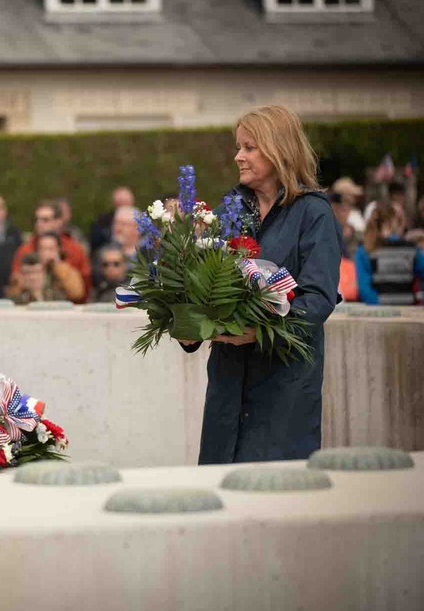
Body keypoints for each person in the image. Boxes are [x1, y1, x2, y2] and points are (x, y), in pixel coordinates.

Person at [179, 105, 342, 464]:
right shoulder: (227, 213)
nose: (239, 156)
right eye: (239, 146)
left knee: (274, 495)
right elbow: (198, 288)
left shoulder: (313, 214)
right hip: (227, 386)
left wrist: (259, 331)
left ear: (279, 148)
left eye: (250, 147)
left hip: (283, 386)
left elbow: (317, 299)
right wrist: (187, 329)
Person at [10, 200, 91, 297]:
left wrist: (59, 266)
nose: (39, 224)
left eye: (45, 220)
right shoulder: (24, 250)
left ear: (58, 222)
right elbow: (15, 287)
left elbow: (84, 288)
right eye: (36, 220)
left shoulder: (75, 249)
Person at [354, 200, 424, 305]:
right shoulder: (412, 249)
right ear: (395, 222)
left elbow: (364, 290)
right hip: (409, 310)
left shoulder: (364, 251)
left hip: (377, 314)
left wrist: (382, 305)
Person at [7, 233, 84, 304]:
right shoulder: (28, 265)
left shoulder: (66, 270)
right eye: (42, 249)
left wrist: (58, 267)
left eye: (51, 249)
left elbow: (77, 293)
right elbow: (13, 295)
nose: (46, 253)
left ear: (59, 250)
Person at [90, 186, 134, 253]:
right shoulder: (102, 221)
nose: (124, 205)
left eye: (126, 202)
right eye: (121, 202)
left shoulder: (141, 219)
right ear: (115, 203)